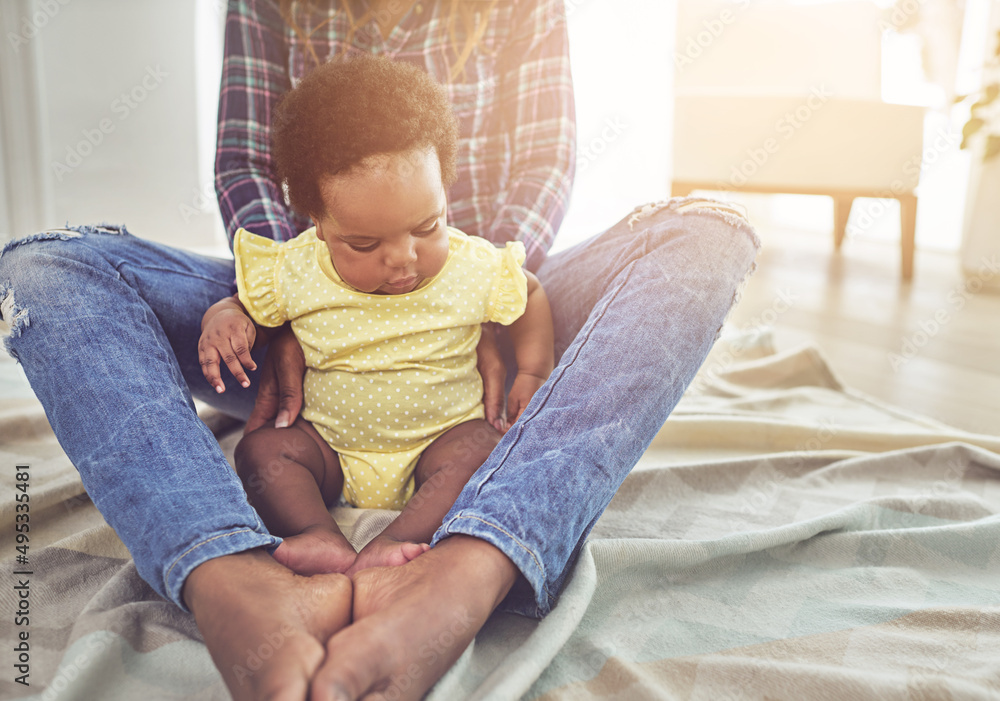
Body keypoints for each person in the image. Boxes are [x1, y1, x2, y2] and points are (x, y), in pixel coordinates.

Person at [0, 0, 759, 699]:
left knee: (707, 236)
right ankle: (231, 572)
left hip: (488, 287)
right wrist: (299, 297)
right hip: (300, 311)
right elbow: (243, 162)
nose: (397, 255)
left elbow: (543, 165)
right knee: (42, 267)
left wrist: (474, 298)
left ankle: (469, 563)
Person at [198, 55, 555, 577]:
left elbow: (531, 292)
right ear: (317, 222)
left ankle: (396, 540)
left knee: (486, 446)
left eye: (427, 225)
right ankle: (317, 533)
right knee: (261, 451)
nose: (403, 257)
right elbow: (248, 303)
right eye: (365, 243)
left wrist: (532, 371)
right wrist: (224, 315)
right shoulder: (296, 267)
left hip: (441, 441)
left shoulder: (472, 265)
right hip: (328, 450)